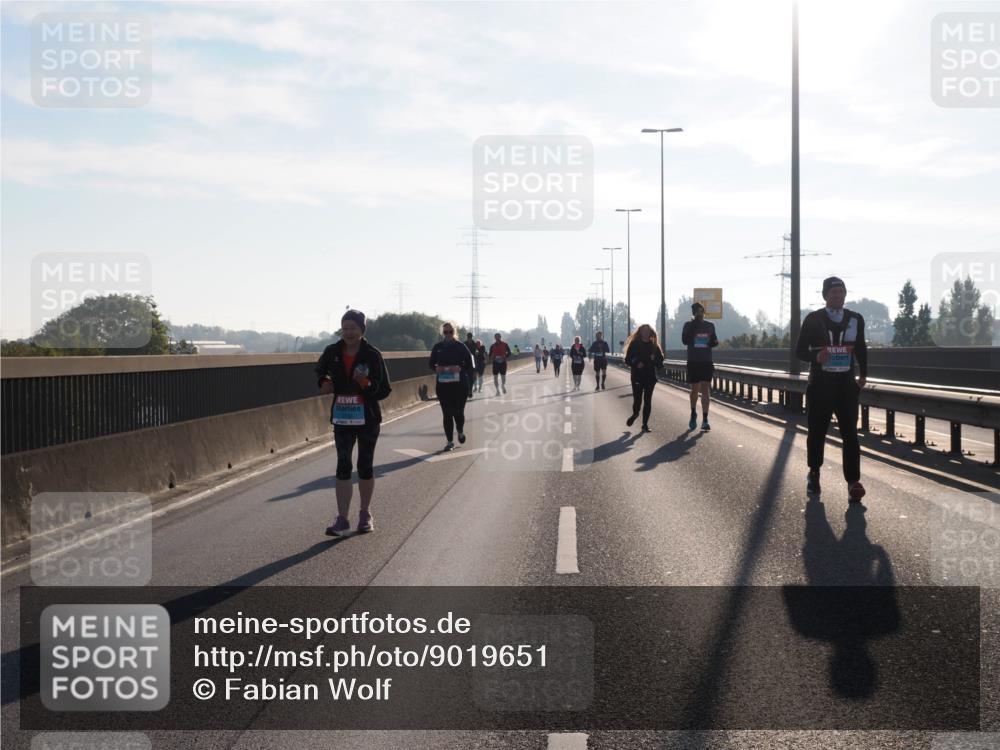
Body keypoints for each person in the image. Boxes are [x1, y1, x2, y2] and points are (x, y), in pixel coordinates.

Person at [316, 309, 392, 536]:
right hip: (342, 418)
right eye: (345, 328)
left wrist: (365, 383)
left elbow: (384, 389)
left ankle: (365, 514)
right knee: (343, 465)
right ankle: (342, 519)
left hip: (367, 418)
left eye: (353, 328)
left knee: (365, 466)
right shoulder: (332, 351)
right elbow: (320, 371)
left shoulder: (372, 355)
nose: (348, 332)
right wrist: (324, 381)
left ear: (362, 330)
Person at [795, 276, 869, 502]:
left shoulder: (855, 319)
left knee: (850, 434)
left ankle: (853, 482)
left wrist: (863, 375)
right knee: (817, 432)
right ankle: (814, 473)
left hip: (846, 386)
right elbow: (800, 351)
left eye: (841, 292)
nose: (838, 296)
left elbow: (861, 348)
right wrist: (817, 356)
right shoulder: (813, 319)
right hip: (820, 385)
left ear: (845, 295)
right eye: (833, 292)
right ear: (825, 296)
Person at [430, 322, 475, 451]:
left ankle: (460, 430)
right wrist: (436, 368)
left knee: (458, 412)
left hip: (460, 386)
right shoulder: (438, 347)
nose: (448, 334)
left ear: (454, 332)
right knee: (447, 414)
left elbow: (470, 364)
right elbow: (431, 363)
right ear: (442, 333)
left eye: (450, 332)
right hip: (443, 386)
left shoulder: (461, 346)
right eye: (445, 332)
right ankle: (449, 442)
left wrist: (460, 368)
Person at [682, 302, 719, 431]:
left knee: (705, 390)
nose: (700, 314)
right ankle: (693, 412)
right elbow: (684, 341)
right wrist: (694, 326)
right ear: (694, 313)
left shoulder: (710, 325)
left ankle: (705, 419)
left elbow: (715, 341)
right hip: (693, 361)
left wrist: (711, 342)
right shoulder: (688, 325)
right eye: (697, 312)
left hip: (706, 361)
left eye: (701, 311)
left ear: (704, 312)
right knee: (694, 389)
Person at [623, 324, 664, 432]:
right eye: (643, 331)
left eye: (647, 331)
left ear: (651, 333)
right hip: (637, 376)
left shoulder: (654, 345)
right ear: (640, 332)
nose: (645, 333)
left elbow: (660, 362)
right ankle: (635, 414)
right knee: (637, 400)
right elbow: (627, 360)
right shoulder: (634, 344)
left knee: (647, 401)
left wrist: (655, 359)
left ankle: (645, 424)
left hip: (650, 377)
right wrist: (636, 363)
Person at [464, 331, 478, 398]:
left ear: (471, 337)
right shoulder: (464, 344)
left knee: (471, 377)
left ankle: (470, 391)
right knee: (466, 377)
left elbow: (477, 352)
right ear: (467, 337)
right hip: (466, 361)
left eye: (470, 337)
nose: (469, 338)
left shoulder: (474, 344)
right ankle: (468, 390)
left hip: (472, 361)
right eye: (468, 337)